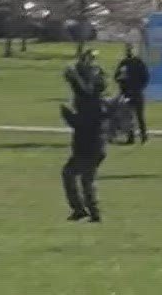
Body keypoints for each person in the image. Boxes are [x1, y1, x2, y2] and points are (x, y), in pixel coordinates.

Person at [59, 79, 105, 222]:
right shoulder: (97, 104)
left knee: (77, 177)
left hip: (86, 150)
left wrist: (66, 114)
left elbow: (79, 123)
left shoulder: (90, 106)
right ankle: (88, 211)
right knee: (84, 179)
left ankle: (84, 210)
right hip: (92, 149)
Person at [113, 44, 150, 144]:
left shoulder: (139, 63)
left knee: (139, 116)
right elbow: (116, 77)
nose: (129, 52)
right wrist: (121, 80)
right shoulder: (123, 63)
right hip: (126, 93)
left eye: (131, 50)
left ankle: (144, 136)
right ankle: (130, 137)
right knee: (128, 116)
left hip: (137, 92)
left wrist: (139, 88)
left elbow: (145, 77)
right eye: (128, 50)